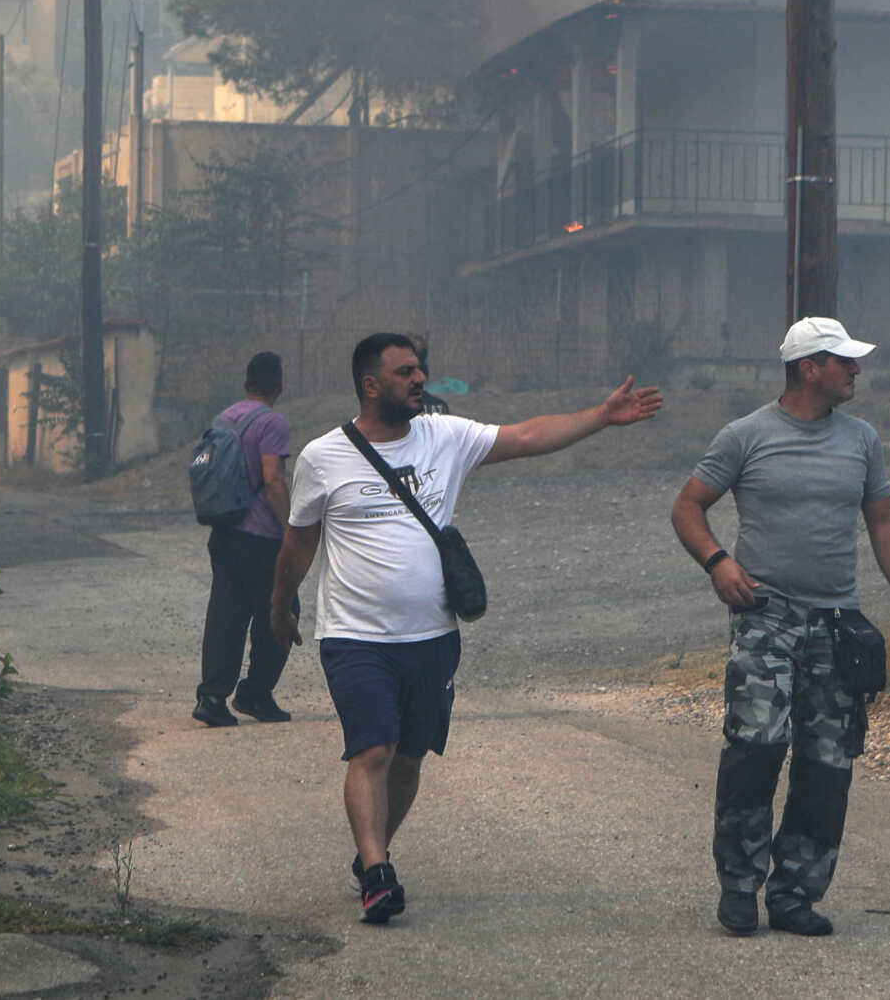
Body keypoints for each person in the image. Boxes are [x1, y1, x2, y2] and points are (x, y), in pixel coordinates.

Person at [272, 332, 663, 926]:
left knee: (407, 758)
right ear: (371, 384)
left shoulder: (444, 437)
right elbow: (301, 539)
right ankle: (377, 873)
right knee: (372, 749)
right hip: (355, 636)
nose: (420, 379)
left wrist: (601, 418)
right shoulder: (323, 457)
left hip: (433, 635)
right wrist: (281, 603)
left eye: (421, 369)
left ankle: (372, 850)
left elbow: (527, 436)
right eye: (405, 372)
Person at [669, 315, 890, 939]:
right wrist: (717, 561)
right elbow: (687, 506)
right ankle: (739, 885)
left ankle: (794, 893)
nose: (855, 370)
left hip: (836, 624)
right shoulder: (745, 436)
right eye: (844, 361)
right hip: (767, 617)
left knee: (827, 764)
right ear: (808, 368)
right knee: (756, 749)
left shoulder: (862, 440)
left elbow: (885, 523)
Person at [193, 351, 295, 728]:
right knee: (283, 610)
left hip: (224, 531)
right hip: (259, 537)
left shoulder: (224, 418)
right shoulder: (272, 422)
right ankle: (255, 693)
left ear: (246, 383)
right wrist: (290, 527)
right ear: (279, 385)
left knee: (226, 614)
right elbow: (273, 478)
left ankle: (212, 697)